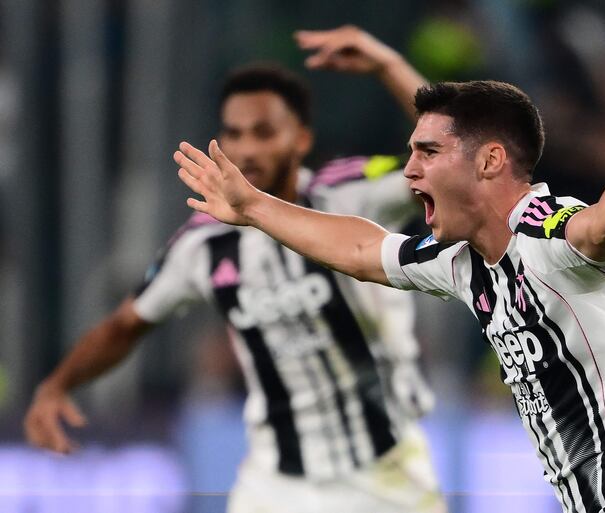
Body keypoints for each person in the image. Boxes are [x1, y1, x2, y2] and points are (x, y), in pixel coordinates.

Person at [175, 80, 605, 512]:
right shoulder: (461, 262)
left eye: (429, 152)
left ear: (489, 161)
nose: (410, 170)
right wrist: (255, 207)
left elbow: (599, 227)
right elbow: (362, 249)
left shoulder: (544, 230)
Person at [25, 26, 447, 513]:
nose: (246, 150)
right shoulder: (201, 243)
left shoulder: (352, 191)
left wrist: (388, 66)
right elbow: (125, 324)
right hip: (274, 483)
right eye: (234, 133)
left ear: (301, 138)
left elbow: (442, 161)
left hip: (387, 474)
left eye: (264, 133)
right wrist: (57, 385)